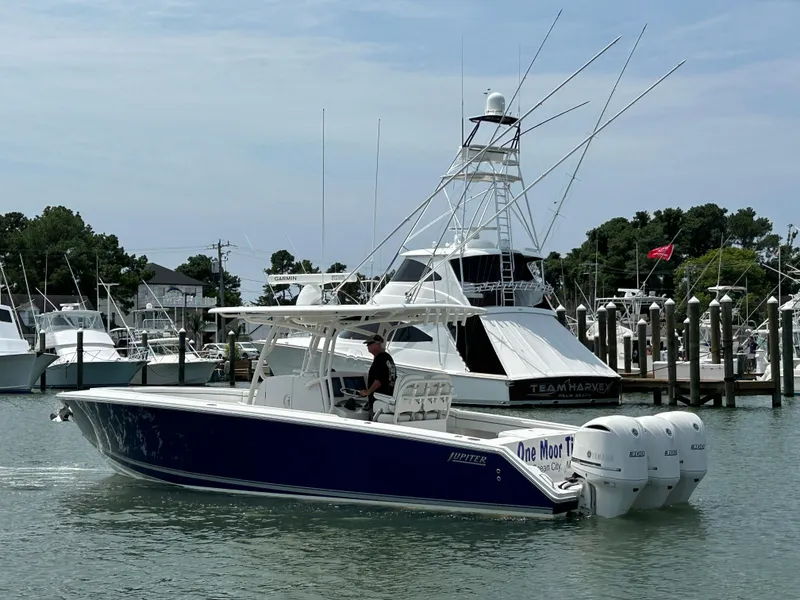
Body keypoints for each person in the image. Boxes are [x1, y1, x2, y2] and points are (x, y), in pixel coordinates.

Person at [360, 334, 397, 415]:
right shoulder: (387, 357)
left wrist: (368, 392)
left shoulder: (380, 359)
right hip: (387, 400)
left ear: (378, 344)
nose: (367, 346)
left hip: (379, 402)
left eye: (369, 343)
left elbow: (379, 381)